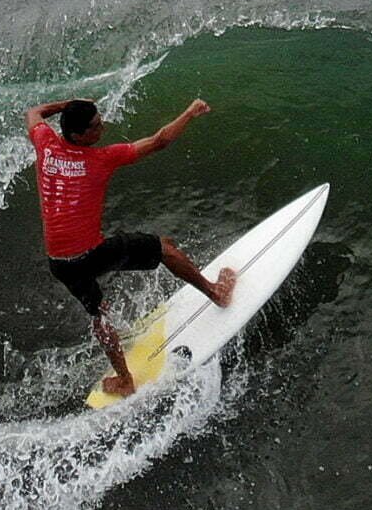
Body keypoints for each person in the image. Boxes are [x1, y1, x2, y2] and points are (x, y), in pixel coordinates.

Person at [24, 97, 236, 397]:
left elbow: (34, 112)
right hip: (91, 255)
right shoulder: (101, 159)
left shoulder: (44, 143)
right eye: (95, 126)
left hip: (60, 263)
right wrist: (190, 112)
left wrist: (68, 105)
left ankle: (125, 380)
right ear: (78, 135)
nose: (103, 127)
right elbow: (160, 141)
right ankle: (216, 293)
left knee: (98, 314)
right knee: (164, 248)